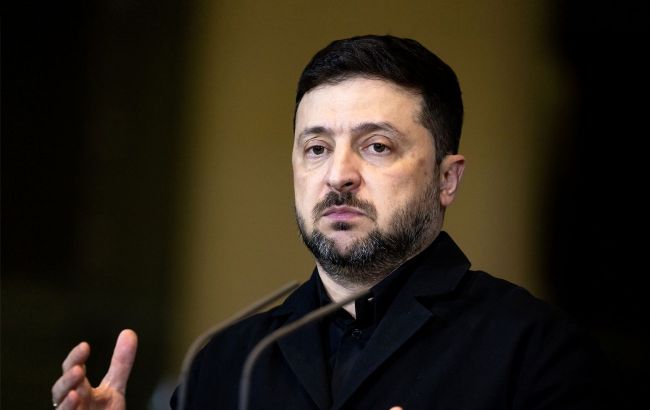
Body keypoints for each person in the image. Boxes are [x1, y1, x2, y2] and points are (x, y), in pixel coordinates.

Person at [51, 35, 611, 409]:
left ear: (447, 179)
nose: (338, 175)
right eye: (316, 148)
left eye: (377, 146)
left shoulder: (534, 351)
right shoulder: (225, 361)